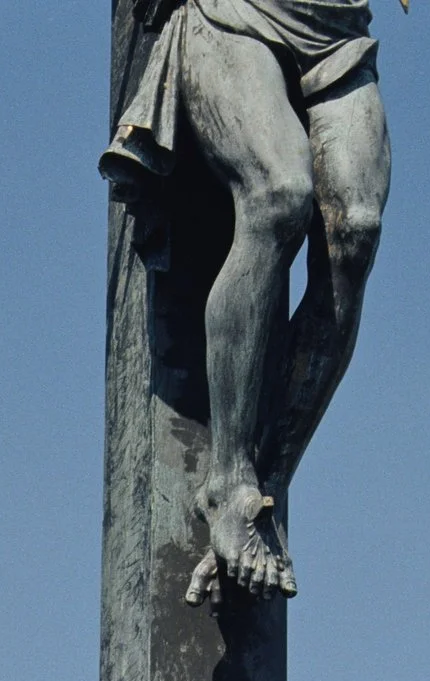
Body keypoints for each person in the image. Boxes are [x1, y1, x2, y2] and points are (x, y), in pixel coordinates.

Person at [103, 1, 391, 603]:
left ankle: (269, 478)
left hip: (338, 28)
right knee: (280, 192)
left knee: (356, 232)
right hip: (233, 10)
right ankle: (228, 482)